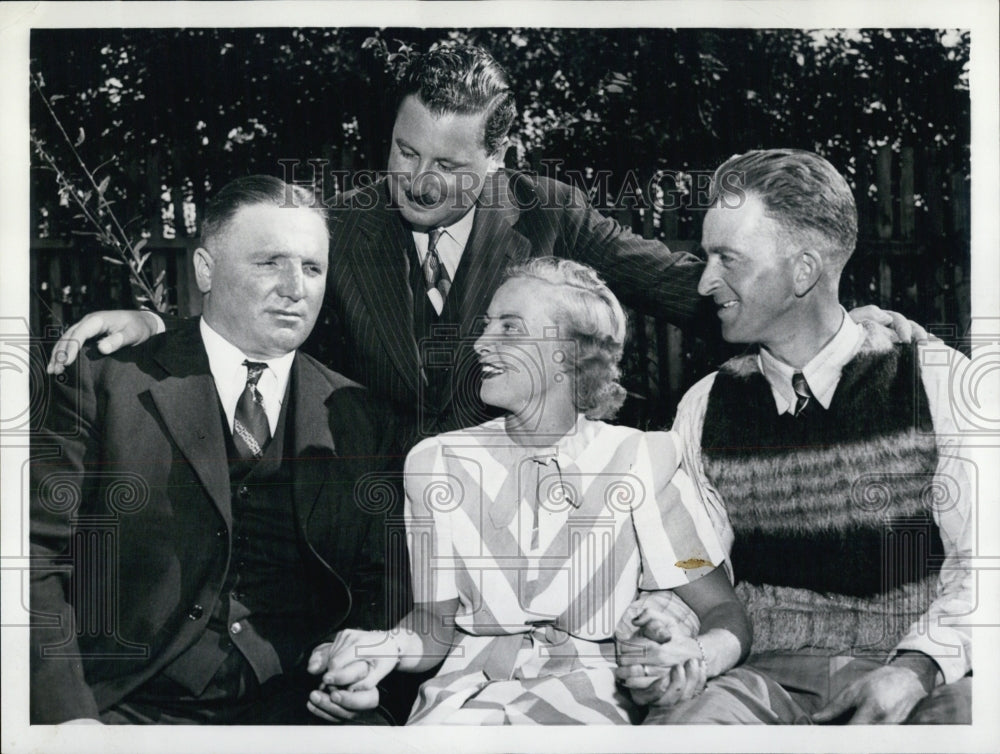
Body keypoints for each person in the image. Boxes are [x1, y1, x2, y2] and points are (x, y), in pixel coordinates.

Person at [45, 44, 915, 449]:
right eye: (403, 152)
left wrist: (827, 313)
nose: (418, 181)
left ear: (502, 157)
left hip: (517, 508)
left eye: (450, 165)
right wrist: (149, 314)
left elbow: (693, 288)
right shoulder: (340, 224)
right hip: (370, 517)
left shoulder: (550, 213)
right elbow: (257, 291)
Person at [305, 258, 753, 725]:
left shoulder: (642, 460)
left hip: (592, 706)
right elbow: (434, 627)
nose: (480, 344)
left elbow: (725, 612)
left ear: (568, 353)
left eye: (510, 328)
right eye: (486, 325)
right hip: (458, 706)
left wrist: (695, 654)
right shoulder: (437, 463)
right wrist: (383, 649)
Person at [30, 176, 395, 724]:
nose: (295, 287)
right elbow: (31, 557)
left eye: (312, 268)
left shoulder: (357, 415)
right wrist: (68, 716)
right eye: (270, 262)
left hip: (303, 706)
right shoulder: (103, 383)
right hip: (128, 706)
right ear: (205, 270)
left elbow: (376, 583)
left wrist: (364, 670)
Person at [634, 149, 973, 724]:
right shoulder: (704, 407)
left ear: (803, 270)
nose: (705, 280)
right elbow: (693, 569)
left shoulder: (939, 382)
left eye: (727, 259)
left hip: (914, 670)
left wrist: (918, 666)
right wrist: (664, 632)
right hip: (760, 681)